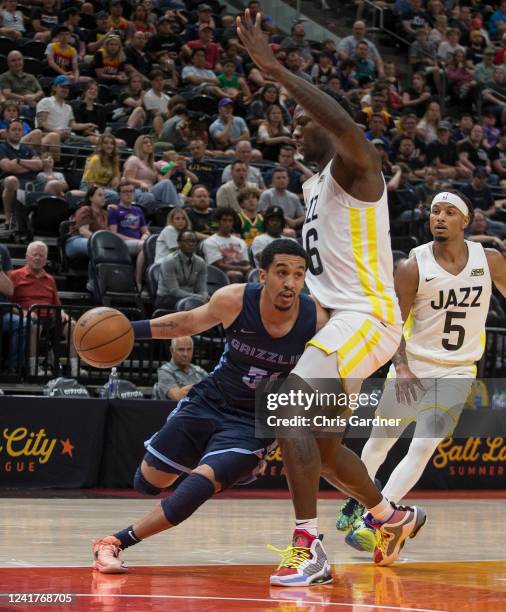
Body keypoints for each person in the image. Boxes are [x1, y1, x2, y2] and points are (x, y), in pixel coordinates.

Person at [237, 9, 426, 586]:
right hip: (339, 323)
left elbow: (340, 119)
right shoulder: (313, 183)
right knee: (322, 445)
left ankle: (308, 547)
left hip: (367, 318)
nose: (296, 124)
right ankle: (390, 516)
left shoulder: (359, 166)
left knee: (288, 406)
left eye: (303, 118)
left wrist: (277, 71)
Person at [91, 239, 328, 574]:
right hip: (209, 400)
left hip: (253, 419)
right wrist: (126, 332)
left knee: (199, 486)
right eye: (282, 272)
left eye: (298, 274)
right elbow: (186, 323)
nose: (290, 282)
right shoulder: (233, 299)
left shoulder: (315, 317)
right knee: (148, 482)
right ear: (263, 275)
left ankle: (113, 542)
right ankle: (235, 466)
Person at [340, 190, 506, 551]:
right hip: (411, 366)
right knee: (381, 441)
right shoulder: (412, 265)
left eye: (449, 212)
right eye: (434, 211)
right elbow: (393, 322)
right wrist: (400, 367)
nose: (440, 217)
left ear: (467, 220)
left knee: (425, 444)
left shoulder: (489, 260)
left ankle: (375, 521)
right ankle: (358, 499)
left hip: (458, 370)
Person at [10, 241, 78, 376]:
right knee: (35, 326)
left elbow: (57, 304)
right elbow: (9, 304)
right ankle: (33, 368)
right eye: (34, 255)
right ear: (27, 256)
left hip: (50, 317)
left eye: (41, 256)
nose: (37, 258)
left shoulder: (50, 279)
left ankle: (75, 368)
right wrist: (22, 312)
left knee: (72, 325)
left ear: (45, 259)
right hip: (29, 317)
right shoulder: (14, 276)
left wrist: (63, 313)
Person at [0, 119, 43, 229]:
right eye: (14, 129)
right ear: (7, 132)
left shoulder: (27, 148)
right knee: (12, 180)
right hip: (6, 183)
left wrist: (19, 161)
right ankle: (8, 220)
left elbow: (38, 165)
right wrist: (29, 167)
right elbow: (7, 167)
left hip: (30, 181)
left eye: (19, 130)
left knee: (52, 183)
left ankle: (41, 225)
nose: (17, 132)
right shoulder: (2, 147)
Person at [123, 134, 181, 212]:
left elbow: (163, 181)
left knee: (167, 183)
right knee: (149, 196)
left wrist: (171, 169)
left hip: (150, 189)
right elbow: (127, 178)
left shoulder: (152, 164)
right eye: (145, 142)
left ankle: (173, 210)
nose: (149, 144)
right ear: (139, 146)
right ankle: (178, 210)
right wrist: (141, 183)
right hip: (136, 190)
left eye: (150, 143)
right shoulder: (134, 159)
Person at [108, 181, 151, 285]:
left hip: (138, 243)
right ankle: (138, 281)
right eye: (125, 192)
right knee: (144, 247)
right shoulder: (114, 210)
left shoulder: (138, 210)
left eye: (131, 191)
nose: (129, 194)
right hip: (121, 243)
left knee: (151, 245)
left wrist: (144, 238)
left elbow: (145, 231)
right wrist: (137, 241)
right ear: (119, 194)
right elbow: (113, 234)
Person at [155, 229, 208, 310]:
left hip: (191, 298)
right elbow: (174, 291)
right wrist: (197, 297)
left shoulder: (201, 262)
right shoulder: (169, 261)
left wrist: (204, 296)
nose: (190, 244)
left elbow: (201, 288)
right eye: (187, 241)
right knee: (192, 305)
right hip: (166, 298)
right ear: (179, 243)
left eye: (193, 241)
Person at [202, 207, 251, 282]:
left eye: (230, 220)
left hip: (240, 271)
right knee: (235, 275)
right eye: (224, 220)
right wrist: (241, 269)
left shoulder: (240, 242)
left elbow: (245, 262)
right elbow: (218, 265)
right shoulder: (210, 241)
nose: (227, 223)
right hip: (219, 274)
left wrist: (246, 268)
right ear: (218, 221)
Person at [153, 336, 208, 400]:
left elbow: (215, 391)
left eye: (189, 349)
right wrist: (202, 388)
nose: (185, 354)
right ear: (172, 350)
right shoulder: (164, 371)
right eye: (181, 350)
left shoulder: (199, 371)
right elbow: (177, 396)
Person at [65, 185, 108, 262]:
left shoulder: (105, 213)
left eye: (104, 195)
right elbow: (83, 231)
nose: (103, 197)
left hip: (96, 241)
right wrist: (100, 241)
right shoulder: (85, 210)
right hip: (77, 240)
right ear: (90, 198)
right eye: (99, 195)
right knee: (99, 247)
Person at [81, 133, 121, 202]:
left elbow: (117, 176)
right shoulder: (95, 159)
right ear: (100, 145)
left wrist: (116, 179)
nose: (109, 146)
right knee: (114, 195)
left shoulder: (114, 160)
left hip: (105, 187)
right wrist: (106, 188)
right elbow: (90, 183)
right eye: (106, 143)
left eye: (112, 143)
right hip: (89, 187)